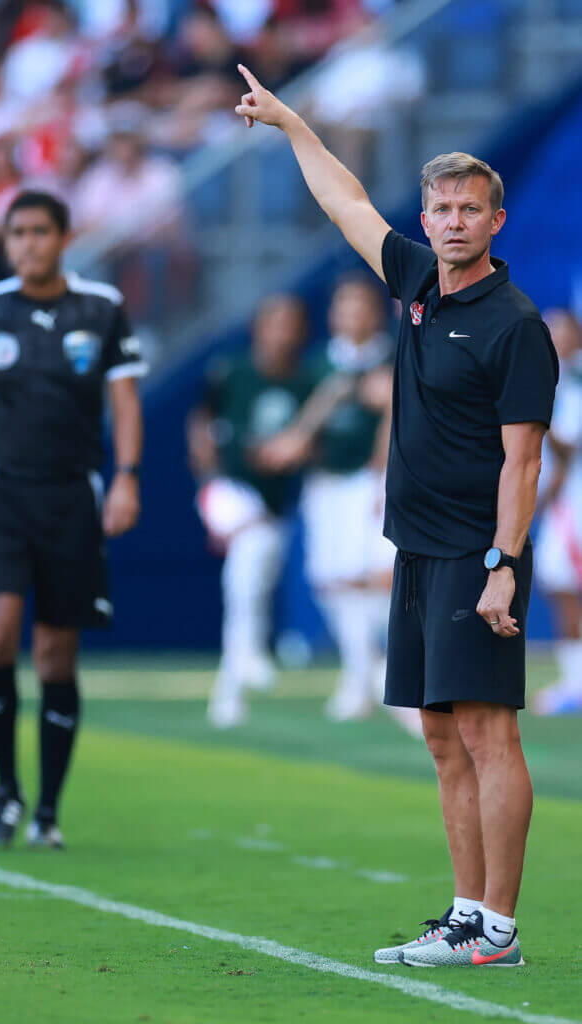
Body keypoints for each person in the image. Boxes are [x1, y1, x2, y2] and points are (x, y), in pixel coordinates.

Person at [234, 66, 558, 966]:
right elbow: (343, 202)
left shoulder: (514, 325)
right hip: (416, 546)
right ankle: (463, 915)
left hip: (473, 550)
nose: (452, 221)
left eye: (469, 210)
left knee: (489, 730)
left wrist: (503, 564)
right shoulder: (416, 278)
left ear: (494, 222)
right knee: (441, 732)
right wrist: (296, 123)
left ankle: (496, 927)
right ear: (426, 220)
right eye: (440, 208)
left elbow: (524, 459)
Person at [0, 190, 146, 849]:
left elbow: (123, 400)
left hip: (73, 497)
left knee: (54, 654)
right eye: (17, 233)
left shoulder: (99, 307)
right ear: (7, 241)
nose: (28, 243)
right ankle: (6, 790)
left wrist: (126, 479)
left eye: (40, 231)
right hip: (4, 496)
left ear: (63, 237)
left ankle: (47, 808)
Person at [256, 276, 420, 731]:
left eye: (361, 306)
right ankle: (359, 674)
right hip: (328, 483)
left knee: (380, 574)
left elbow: (402, 411)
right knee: (333, 579)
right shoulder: (317, 365)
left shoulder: (393, 355)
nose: (353, 315)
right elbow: (303, 421)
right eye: (344, 306)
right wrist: (296, 445)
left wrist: (383, 474)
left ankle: (394, 672)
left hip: (375, 481)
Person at [187, 294, 312, 729]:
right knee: (252, 555)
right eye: (274, 322)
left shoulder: (304, 381)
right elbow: (201, 422)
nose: (282, 332)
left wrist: (293, 450)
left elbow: (311, 440)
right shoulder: (232, 371)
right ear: (259, 327)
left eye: (290, 323)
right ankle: (251, 655)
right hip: (227, 489)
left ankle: (230, 686)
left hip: (272, 503)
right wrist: (209, 479)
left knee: (248, 578)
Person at [534, 310, 582, 714]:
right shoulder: (552, 377)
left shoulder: (575, 382)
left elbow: (569, 445)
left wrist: (538, 412)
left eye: (561, 331)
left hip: (576, 502)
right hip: (562, 502)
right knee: (558, 584)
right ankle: (574, 680)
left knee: (569, 584)